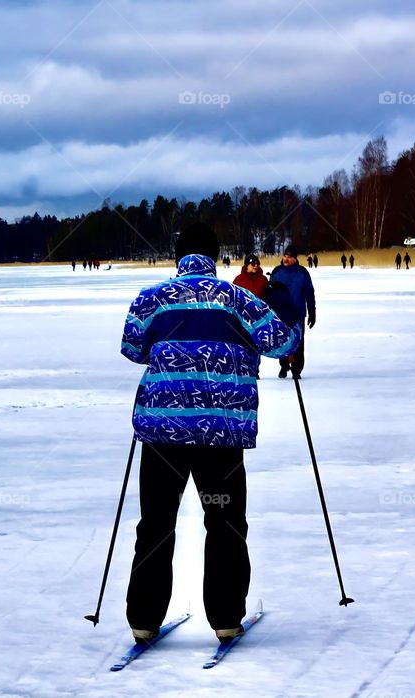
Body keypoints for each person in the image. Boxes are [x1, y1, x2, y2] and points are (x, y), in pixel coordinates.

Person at [120, 222, 300, 645]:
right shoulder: (238, 298)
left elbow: (132, 347)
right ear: (216, 257)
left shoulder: (153, 298)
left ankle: (142, 619)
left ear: (177, 257)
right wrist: (285, 309)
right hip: (220, 432)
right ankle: (224, 617)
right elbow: (281, 343)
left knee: (157, 522)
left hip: (163, 433)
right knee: (224, 521)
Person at [270, 245, 315, 379]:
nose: (286, 258)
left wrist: (312, 312)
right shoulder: (277, 271)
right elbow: (270, 292)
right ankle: (284, 366)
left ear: (295, 259)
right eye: (285, 256)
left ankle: (297, 370)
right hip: (281, 314)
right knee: (282, 342)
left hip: (297, 314)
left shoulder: (302, 273)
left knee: (299, 342)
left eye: (289, 256)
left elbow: (309, 293)